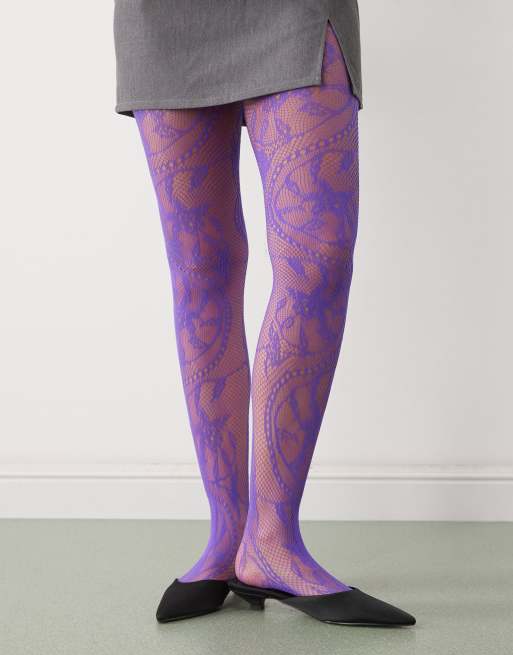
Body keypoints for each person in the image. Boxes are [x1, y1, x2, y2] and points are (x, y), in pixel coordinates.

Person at [113, 0, 415, 627]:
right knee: (201, 268)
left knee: (318, 258)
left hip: (296, 12)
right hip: (163, 17)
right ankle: (228, 539)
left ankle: (272, 539)